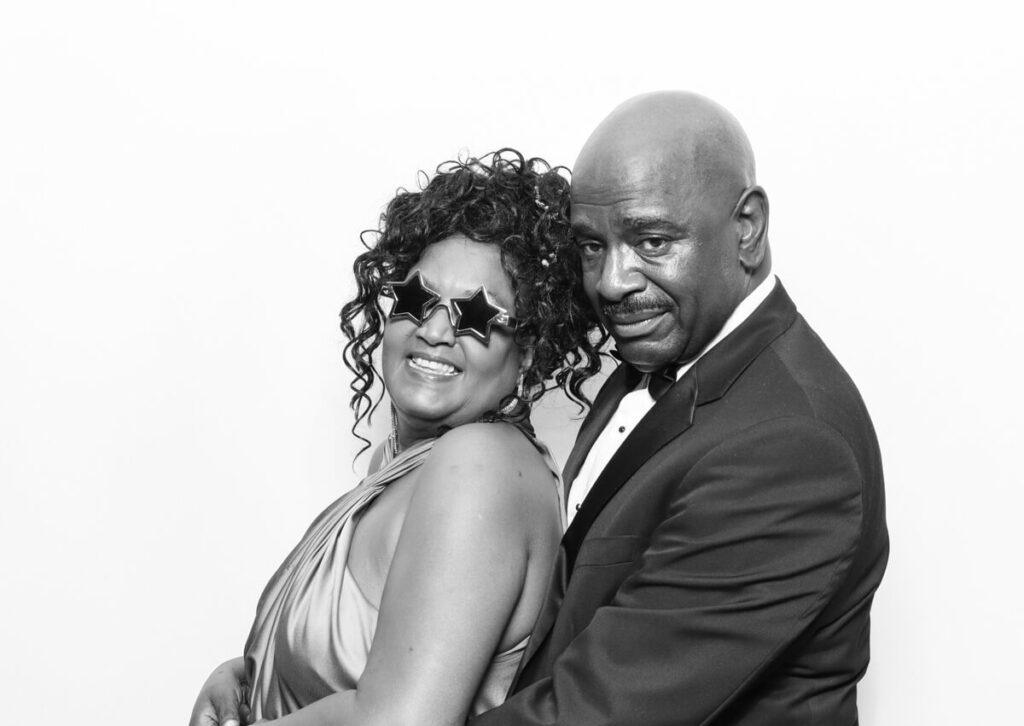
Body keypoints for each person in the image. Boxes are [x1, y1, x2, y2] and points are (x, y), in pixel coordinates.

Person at [471, 92, 889, 725]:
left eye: (653, 239)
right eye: (591, 246)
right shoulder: (665, 350)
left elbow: (599, 714)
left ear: (746, 229)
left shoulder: (788, 446)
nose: (611, 281)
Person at [189, 150, 603, 726]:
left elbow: (399, 721)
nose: (435, 331)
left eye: (476, 316)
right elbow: (363, 668)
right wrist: (246, 676)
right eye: (417, 300)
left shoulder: (478, 467)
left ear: (528, 353)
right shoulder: (405, 467)